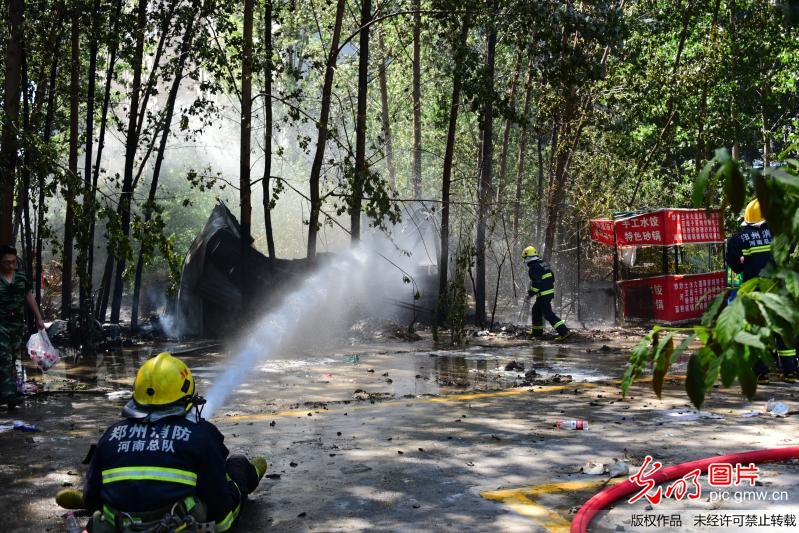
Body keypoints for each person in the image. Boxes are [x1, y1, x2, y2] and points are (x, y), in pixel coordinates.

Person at [60, 352, 267, 532]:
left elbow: (92, 498)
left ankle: (82, 499)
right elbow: (217, 502)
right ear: (187, 396)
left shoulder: (111, 435)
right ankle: (252, 473)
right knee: (236, 467)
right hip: (179, 525)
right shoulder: (202, 435)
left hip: (121, 525)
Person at [726, 199, 797, 383]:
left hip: (754, 291)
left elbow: (735, 266)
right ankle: (790, 371)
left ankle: (761, 373)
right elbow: (790, 248)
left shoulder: (738, 239)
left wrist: (745, 262)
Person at [0, 244, 45, 408]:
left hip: (17, 324)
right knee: (3, 357)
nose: (10, 265)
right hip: (1, 324)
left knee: (13, 358)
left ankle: (10, 390)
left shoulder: (21, 277)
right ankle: (8, 394)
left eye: (13, 262)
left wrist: (39, 318)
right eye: (7, 262)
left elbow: (29, 297)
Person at [522, 246, 571, 341]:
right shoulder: (542, 263)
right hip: (548, 293)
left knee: (548, 314)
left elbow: (537, 283)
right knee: (536, 310)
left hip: (543, 294)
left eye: (524, 259)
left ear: (527, 258)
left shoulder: (533, 267)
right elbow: (552, 277)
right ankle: (537, 332)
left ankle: (564, 332)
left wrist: (530, 294)